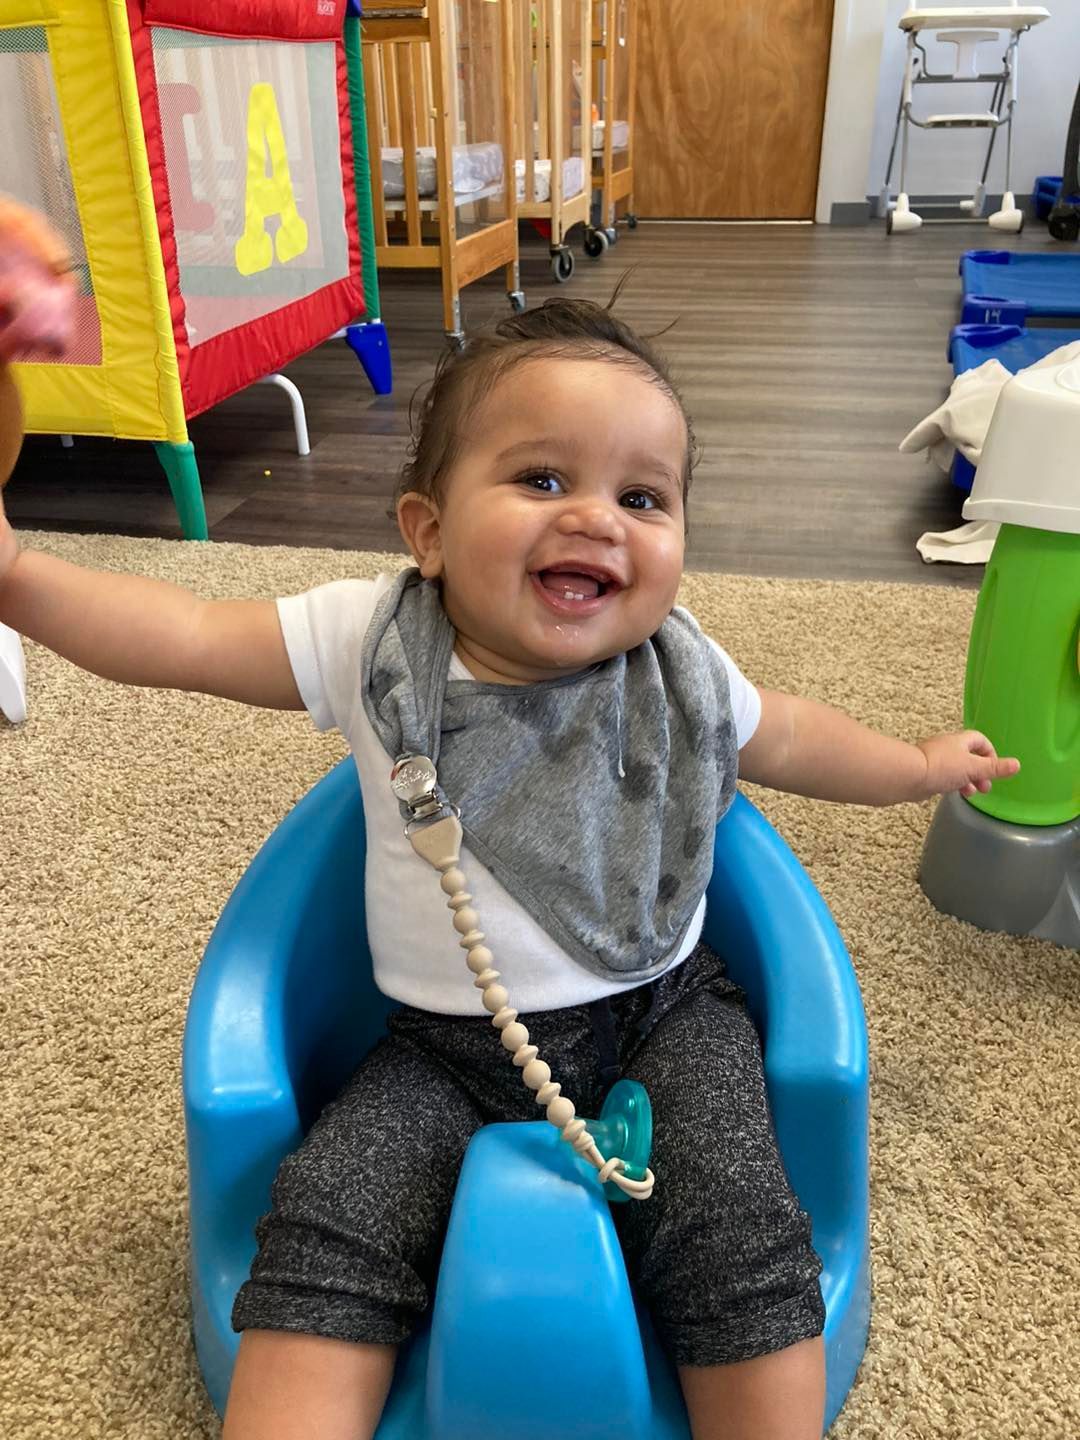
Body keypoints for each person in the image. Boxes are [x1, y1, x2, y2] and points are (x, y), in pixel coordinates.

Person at [0, 201, 1019, 1440]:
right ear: (425, 533)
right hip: (438, 1048)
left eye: (644, 497)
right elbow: (183, 637)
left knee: (742, 1230)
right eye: (541, 478)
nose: (596, 516)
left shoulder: (683, 671)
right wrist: (19, 576)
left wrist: (913, 761)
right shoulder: (374, 644)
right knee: (327, 1226)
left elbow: (793, 735)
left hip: (665, 1014)